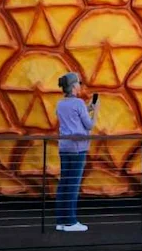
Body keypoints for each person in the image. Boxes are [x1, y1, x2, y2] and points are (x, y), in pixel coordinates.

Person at [54, 72, 98, 232]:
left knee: (64, 183)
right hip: (78, 148)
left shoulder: (60, 103)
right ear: (73, 86)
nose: (80, 85)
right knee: (73, 184)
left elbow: (71, 118)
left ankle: (61, 221)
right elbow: (89, 125)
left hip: (64, 147)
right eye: (78, 83)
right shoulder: (78, 103)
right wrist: (95, 110)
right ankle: (71, 222)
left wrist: (87, 109)